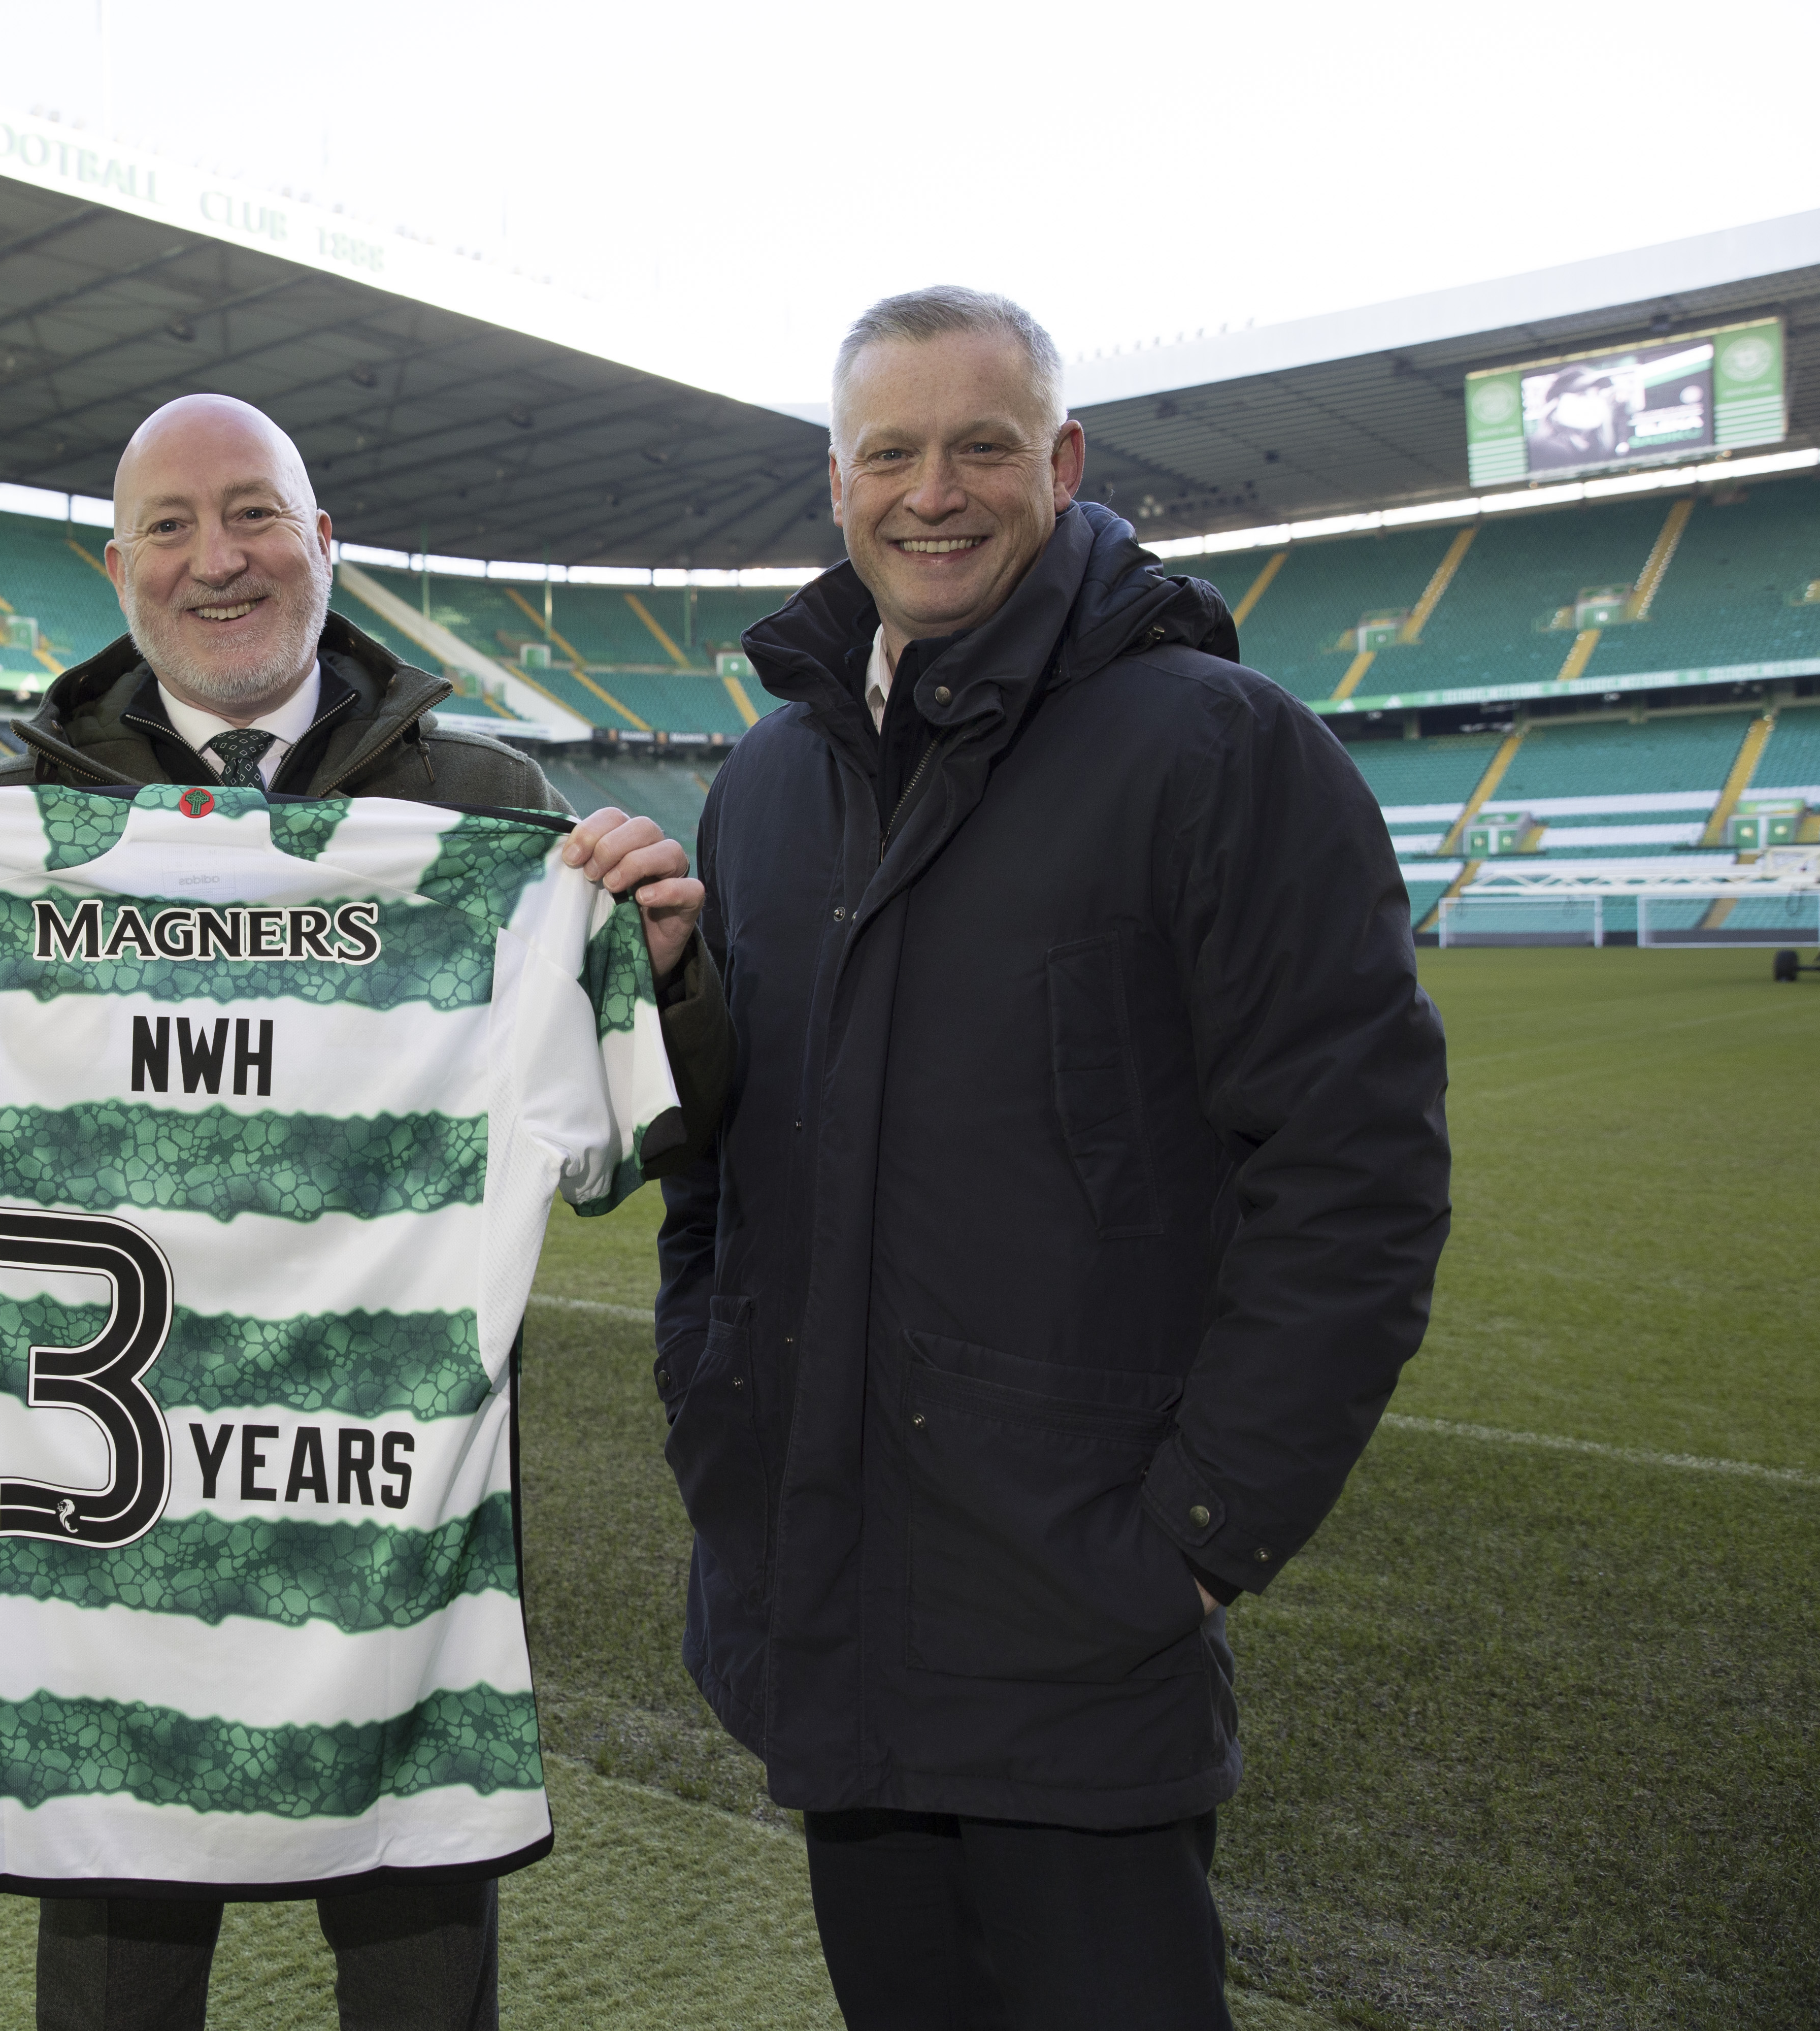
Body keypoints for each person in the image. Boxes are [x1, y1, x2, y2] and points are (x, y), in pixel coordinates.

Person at [0, 392, 718, 2031]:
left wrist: (664, 975)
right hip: (95, 1602)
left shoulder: (486, 821)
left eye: (254, 513)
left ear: (324, 546)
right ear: (119, 570)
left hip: (390, 1562)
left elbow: (644, 1140)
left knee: (417, 1996)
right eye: (169, 526)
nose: (215, 556)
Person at [654, 288, 1450, 2028]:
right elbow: (719, 1152)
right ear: (838, 486)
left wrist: (1192, 1535)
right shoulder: (772, 780)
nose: (934, 492)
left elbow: (1357, 1172)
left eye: (983, 448)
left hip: (1079, 1637)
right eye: (892, 454)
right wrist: (709, 1396)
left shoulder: (1223, 751)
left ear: (1064, 462)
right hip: (830, 1609)